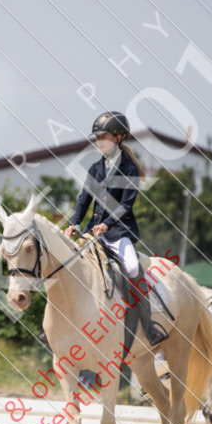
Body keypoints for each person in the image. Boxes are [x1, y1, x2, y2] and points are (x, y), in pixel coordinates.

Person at [65, 110, 167, 346]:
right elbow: (83, 200)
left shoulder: (129, 169)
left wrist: (107, 224)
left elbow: (126, 205)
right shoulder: (95, 168)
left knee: (132, 267)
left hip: (118, 233)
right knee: (66, 263)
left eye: (105, 136)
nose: (99, 141)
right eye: (97, 137)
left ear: (120, 137)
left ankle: (148, 324)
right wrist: (73, 223)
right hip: (92, 233)